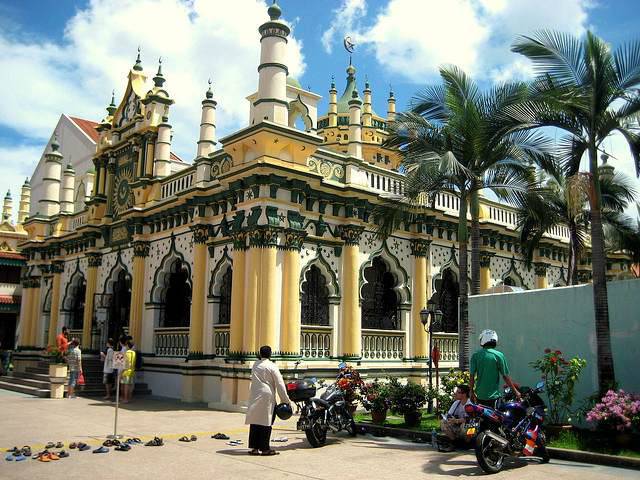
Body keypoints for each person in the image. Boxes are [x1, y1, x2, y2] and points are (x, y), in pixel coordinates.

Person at [245, 345, 290, 456]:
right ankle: (265, 449)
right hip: (267, 396)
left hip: (255, 394)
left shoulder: (255, 364)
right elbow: (280, 384)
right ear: (270, 354)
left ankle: (255, 448)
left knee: (255, 421)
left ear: (260, 354)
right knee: (266, 422)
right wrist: (285, 400)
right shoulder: (272, 366)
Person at [469, 329, 520, 408]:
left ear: (483, 340)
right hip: (494, 397)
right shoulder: (499, 355)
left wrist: (471, 392)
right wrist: (516, 391)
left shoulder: (476, 355)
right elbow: (505, 376)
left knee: (482, 419)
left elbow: (471, 376)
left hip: (479, 396)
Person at [438, 385, 472, 451]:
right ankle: (454, 443)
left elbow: (469, 419)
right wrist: (448, 418)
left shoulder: (470, 404)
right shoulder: (456, 403)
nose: (455, 394)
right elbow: (449, 414)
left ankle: (468, 443)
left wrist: (456, 421)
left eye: (458, 392)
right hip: (457, 425)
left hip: (470, 428)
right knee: (443, 422)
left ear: (464, 394)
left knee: (465, 425)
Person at [120, 338, 136, 403]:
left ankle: (125, 398)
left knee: (125, 386)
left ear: (127, 346)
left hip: (126, 371)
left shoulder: (126, 353)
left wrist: (121, 372)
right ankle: (129, 398)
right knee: (130, 385)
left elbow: (125, 364)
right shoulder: (134, 353)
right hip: (132, 371)